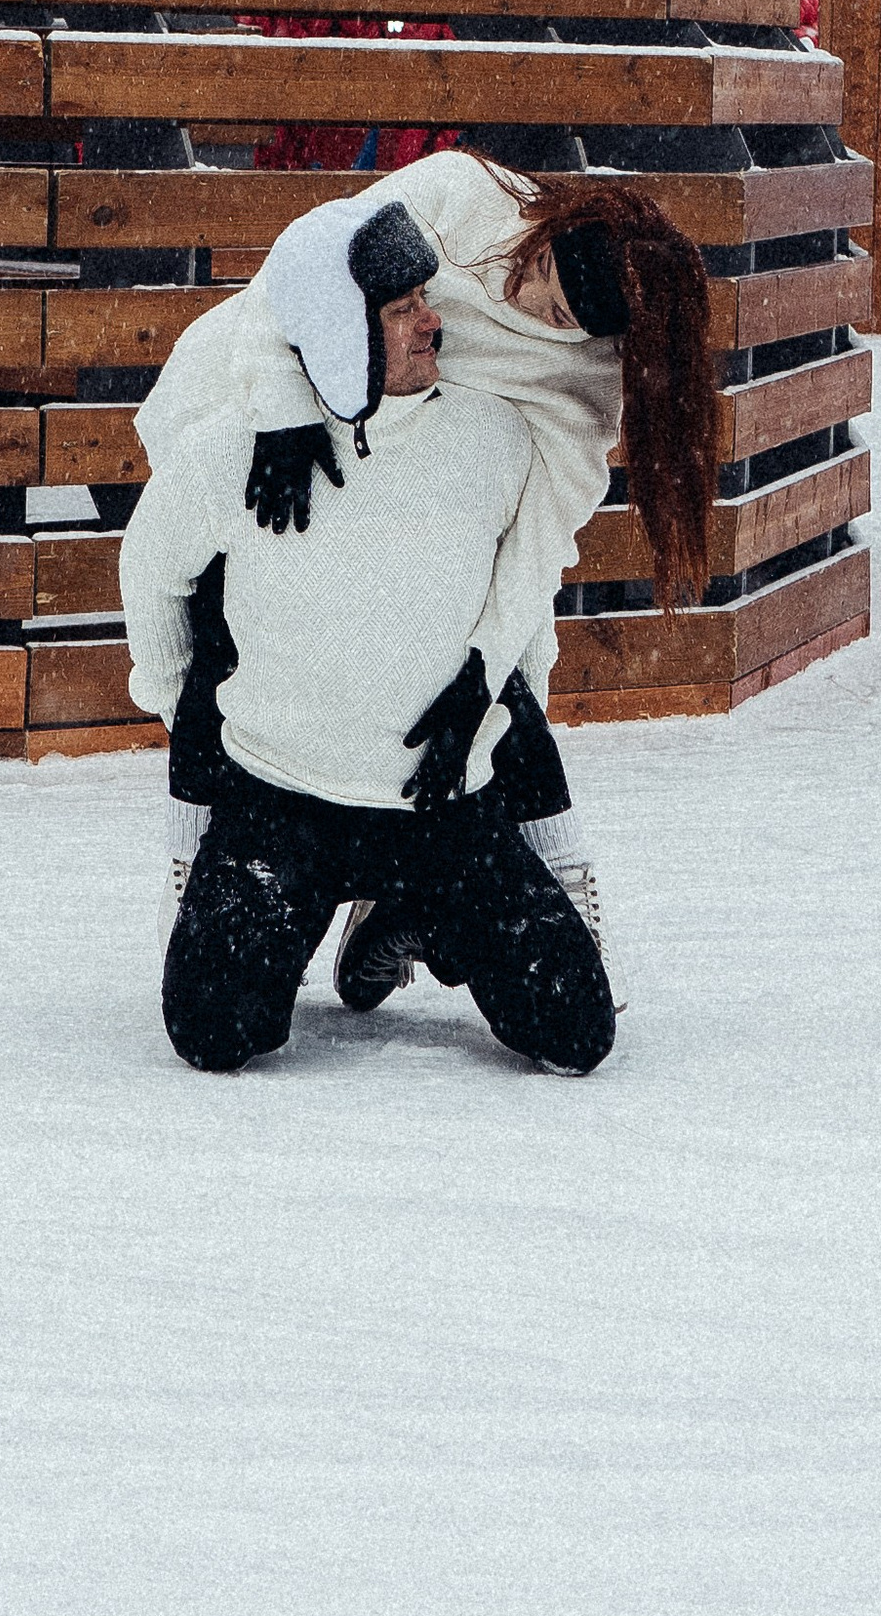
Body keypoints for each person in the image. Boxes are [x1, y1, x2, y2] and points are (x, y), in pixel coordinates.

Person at [135, 147, 720, 942]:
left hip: (423, 485)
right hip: (256, 411)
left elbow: (534, 552)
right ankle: (208, 891)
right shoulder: (461, 193)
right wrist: (280, 408)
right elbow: (310, 263)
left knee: (478, 684)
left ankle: (458, 889)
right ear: (556, 222)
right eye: (541, 262)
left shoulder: (582, 389)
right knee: (226, 641)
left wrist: (482, 670)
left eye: (555, 315)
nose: (527, 292)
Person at [123, 194, 616, 1075]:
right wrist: (174, 705)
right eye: (403, 312)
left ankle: (410, 910)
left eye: (426, 300)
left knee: (576, 1033)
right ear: (343, 337)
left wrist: (500, 710)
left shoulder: (496, 438)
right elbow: (150, 566)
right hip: (283, 801)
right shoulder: (244, 449)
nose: (436, 323)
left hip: (439, 810)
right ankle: (277, 898)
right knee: (213, 1031)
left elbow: (524, 591)